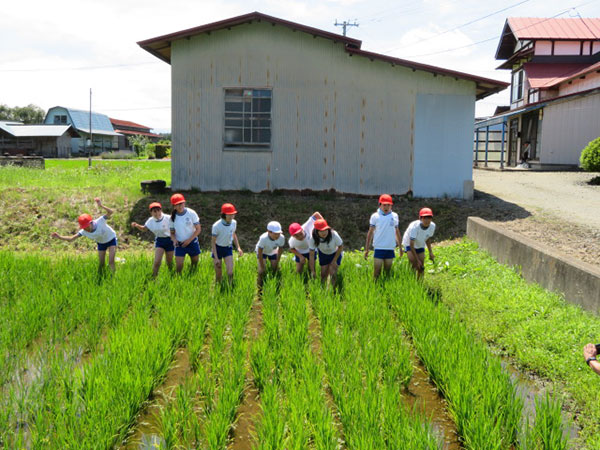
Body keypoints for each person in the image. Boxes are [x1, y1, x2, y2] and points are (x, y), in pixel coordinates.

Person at [51, 198, 117, 273]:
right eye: (84, 227)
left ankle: (112, 278)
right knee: (101, 264)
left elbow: (111, 212)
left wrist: (101, 206)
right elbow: (71, 239)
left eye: (87, 226)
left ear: (91, 223)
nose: (86, 229)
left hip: (111, 239)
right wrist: (59, 237)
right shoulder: (84, 232)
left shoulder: (100, 221)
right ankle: (102, 276)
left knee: (111, 262)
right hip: (101, 243)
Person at [364, 194, 402, 279]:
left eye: (389, 205)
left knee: (387, 273)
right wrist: (367, 249)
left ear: (391, 205)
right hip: (379, 247)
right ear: (380, 205)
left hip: (390, 247)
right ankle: (375, 289)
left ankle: (386, 290)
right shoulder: (375, 216)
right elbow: (370, 232)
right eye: (384, 205)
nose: (386, 207)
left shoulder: (395, 216)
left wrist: (400, 248)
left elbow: (397, 231)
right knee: (376, 272)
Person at [131, 202, 174, 277]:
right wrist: (137, 225)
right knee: (157, 262)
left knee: (169, 262)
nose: (157, 213)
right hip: (160, 241)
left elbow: (176, 227)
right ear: (151, 212)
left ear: (161, 210)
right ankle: (154, 277)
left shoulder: (168, 218)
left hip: (170, 240)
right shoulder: (150, 220)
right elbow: (144, 229)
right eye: (154, 211)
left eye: (158, 210)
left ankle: (171, 276)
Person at [211, 203, 243, 283]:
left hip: (228, 248)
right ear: (223, 215)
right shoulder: (216, 226)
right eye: (229, 215)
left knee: (230, 272)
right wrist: (216, 257)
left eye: (233, 214)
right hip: (217, 249)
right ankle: (217, 287)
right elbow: (213, 242)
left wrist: (238, 247)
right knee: (218, 274)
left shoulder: (234, 223)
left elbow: (233, 234)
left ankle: (230, 287)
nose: (231, 217)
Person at [169, 193, 201, 273]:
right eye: (177, 204)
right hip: (180, 244)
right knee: (179, 266)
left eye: (181, 203)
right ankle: (178, 281)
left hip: (192, 242)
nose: (180, 206)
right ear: (174, 206)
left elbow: (198, 229)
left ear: (184, 203)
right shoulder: (172, 218)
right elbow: (172, 233)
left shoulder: (191, 213)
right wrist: (174, 240)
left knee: (194, 264)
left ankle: (192, 278)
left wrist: (189, 240)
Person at [402, 207, 436, 279]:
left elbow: (427, 238)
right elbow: (411, 244)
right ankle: (410, 282)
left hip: (420, 244)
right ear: (420, 218)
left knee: (421, 267)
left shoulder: (432, 226)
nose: (427, 220)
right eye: (424, 218)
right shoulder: (415, 227)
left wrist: (430, 252)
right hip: (409, 243)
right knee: (414, 264)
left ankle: (420, 285)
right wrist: (417, 260)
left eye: (429, 217)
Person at [309, 219, 343, 287]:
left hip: (335, 253)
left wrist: (334, 260)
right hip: (323, 254)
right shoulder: (313, 238)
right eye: (321, 231)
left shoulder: (334, 235)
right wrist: (313, 270)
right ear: (316, 231)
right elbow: (312, 255)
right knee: (323, 274)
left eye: (325, 230)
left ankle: (332, 291)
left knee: (332, 272)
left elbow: (340, 247)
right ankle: (323, 290)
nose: (324, 233)